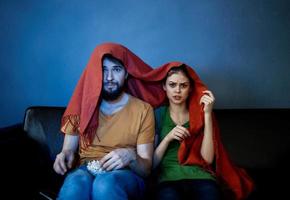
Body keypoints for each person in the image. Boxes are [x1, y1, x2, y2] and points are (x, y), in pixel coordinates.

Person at [53, 42, 162, 200]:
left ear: (126, 74)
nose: (109, 77)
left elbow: (146, 170)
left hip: (127, 174)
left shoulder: (143, 110)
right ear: (94, 73)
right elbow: (68, 150)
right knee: (76, 183)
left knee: (105, 184)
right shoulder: (81, 105)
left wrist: (131, 156)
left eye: (116, 69)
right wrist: (64, 156)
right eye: (103, 70)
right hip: (86, 168)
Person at [149, 62, 254, 200]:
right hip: (168, 179)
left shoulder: (200, 114)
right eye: (172, 85)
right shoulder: (158, 114)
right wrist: (168, 138)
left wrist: (207, 114)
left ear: (191, 88)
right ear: (164, 86)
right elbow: (152, 163)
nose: (177, 90)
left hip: (201, 177)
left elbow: (207, 158)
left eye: (184, 85)